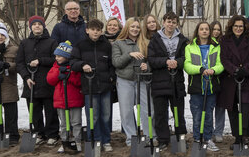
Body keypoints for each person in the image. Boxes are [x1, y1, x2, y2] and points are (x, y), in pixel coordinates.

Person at [147, 11, 188, 150]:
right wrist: (166, 62)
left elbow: (185, 58)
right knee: (160, 113)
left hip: (176, 81)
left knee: (178, 112)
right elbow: (151, 59)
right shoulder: (155, 39)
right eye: (168, 21)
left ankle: (180, 137)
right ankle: (163, 139)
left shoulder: (182, 39)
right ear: (163, 22)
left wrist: (177, 62)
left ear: (177, 24)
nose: (171, 24)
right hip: (160, 81)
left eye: (174, 22)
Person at [72, 18, 115, 150]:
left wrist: (111, 77)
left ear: (101, 31)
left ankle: (106, 140)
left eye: (98, 30)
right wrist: (82, 65)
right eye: (93, 30)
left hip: (105, 85)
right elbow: (73, 62)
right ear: (87, 30)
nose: (95, 33)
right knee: (93, 115)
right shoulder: (80, 45)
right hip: (89, 86)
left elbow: (111, 64)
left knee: (106, 115)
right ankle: (95, 139)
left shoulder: (107, 45)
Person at [17, 16, 59, 146]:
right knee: (34, 112)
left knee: (50, 111)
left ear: (43, 26)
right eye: (34, 24)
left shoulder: (52, 42)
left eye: (39, 24)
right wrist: (26, 77)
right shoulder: (24, 43)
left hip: (48, 83)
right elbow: (19, 63)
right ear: (30, 27)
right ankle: (38, 133)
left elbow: (56, 59)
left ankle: (52, 134)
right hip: (31, 83)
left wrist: (40, 61)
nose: (37, 26)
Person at [184, 21, 224, 151]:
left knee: (208, 115)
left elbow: (220, 64)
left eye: (207, 29)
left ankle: (207, 138)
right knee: (197, 115)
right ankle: (197, 139)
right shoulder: (190, 46)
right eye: (202, 29)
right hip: (196, 87)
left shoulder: (216, 46)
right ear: (198, 31)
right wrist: (200, 69)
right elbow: (187, 65)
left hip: (210, 87)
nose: (204, 31)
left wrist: (214, 70)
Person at [112, 18, 151, 147]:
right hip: (125, 80)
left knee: (147, 110)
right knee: (126, 111)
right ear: (127, 28)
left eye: (137, 27)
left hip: (142, 80)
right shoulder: (118, 43)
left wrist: (147, 67)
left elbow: (151, 61)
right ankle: (131, 138)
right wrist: (129, 54)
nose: (135, 29)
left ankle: (148, 136)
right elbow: (116, 63)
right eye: (132, 27)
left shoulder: (145, 42)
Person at [220, 15, 249, 145]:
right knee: (232, 109)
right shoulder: (225, 40)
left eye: (241, 26)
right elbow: (223, 58)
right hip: (230, 79)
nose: (238, 28)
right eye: (236, 26)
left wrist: (245, 70)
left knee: (245, 107)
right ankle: (237, 135)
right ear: (231, 26)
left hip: (245, 79)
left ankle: (245, 134)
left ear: (245, 27)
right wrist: (234, 70)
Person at [48, 41, 83, 153]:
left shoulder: (74, 67)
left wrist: (69, 75)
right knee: (63, 124)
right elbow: (50, 80)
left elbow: (79, 82)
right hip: (61, 101)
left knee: (76, 122)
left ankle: (77, 141)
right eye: (56, 56)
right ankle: (65, 142)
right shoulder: (55, 67)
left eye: (59, 56)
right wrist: (59, 73)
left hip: (74, 100)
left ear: (66, 56)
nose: (56, 58)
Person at [210, 20, 226, 142]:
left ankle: (219, 131)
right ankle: (208, 131)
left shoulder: (223, 43)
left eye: (218, 29)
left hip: (221, 77)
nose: (216, 32)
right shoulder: (205, 43)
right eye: (214, 29)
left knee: (220, 106)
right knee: (209, 106)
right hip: (208, 77)